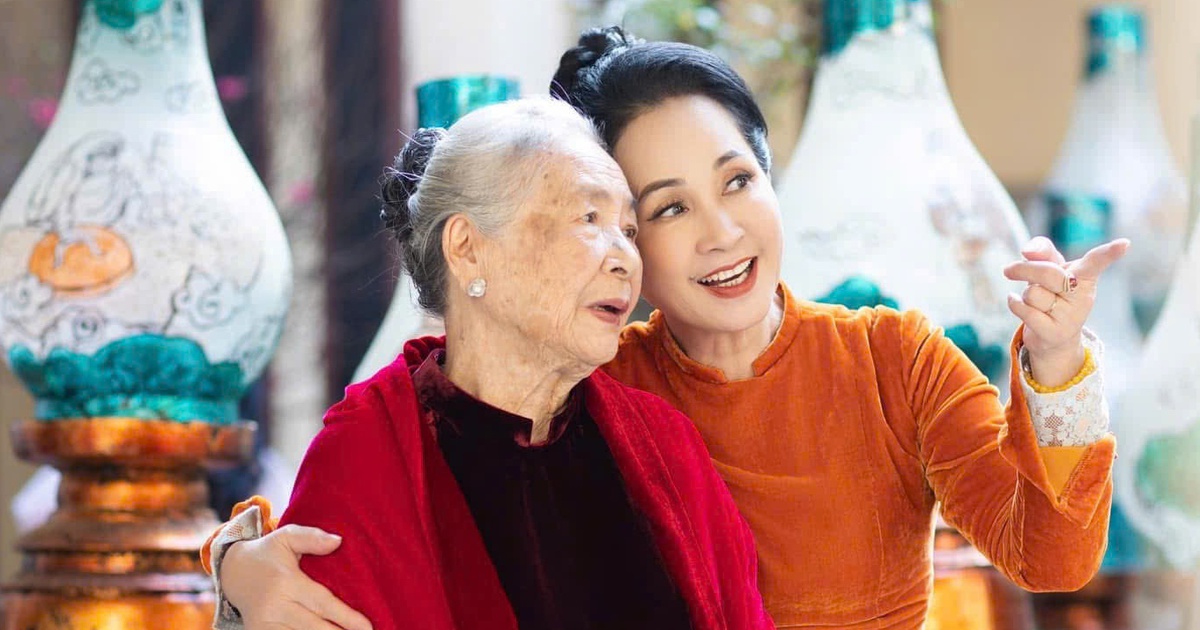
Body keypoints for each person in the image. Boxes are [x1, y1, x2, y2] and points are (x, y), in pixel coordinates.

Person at [208, 28, 1126, 630]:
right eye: (665, 209)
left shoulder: (889, 358)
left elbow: (1052, 555)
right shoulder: (600, 382)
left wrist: (1056, 361)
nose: (721, 233)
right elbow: (386, 482)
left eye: (737, 182)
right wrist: (235, 568)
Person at [202, 96, 773, 630]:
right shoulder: (369, 454)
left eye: (628, 229)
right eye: (588, 219)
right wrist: (233, 565)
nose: (626, 256)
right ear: (467, 247)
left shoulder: (663, 444)